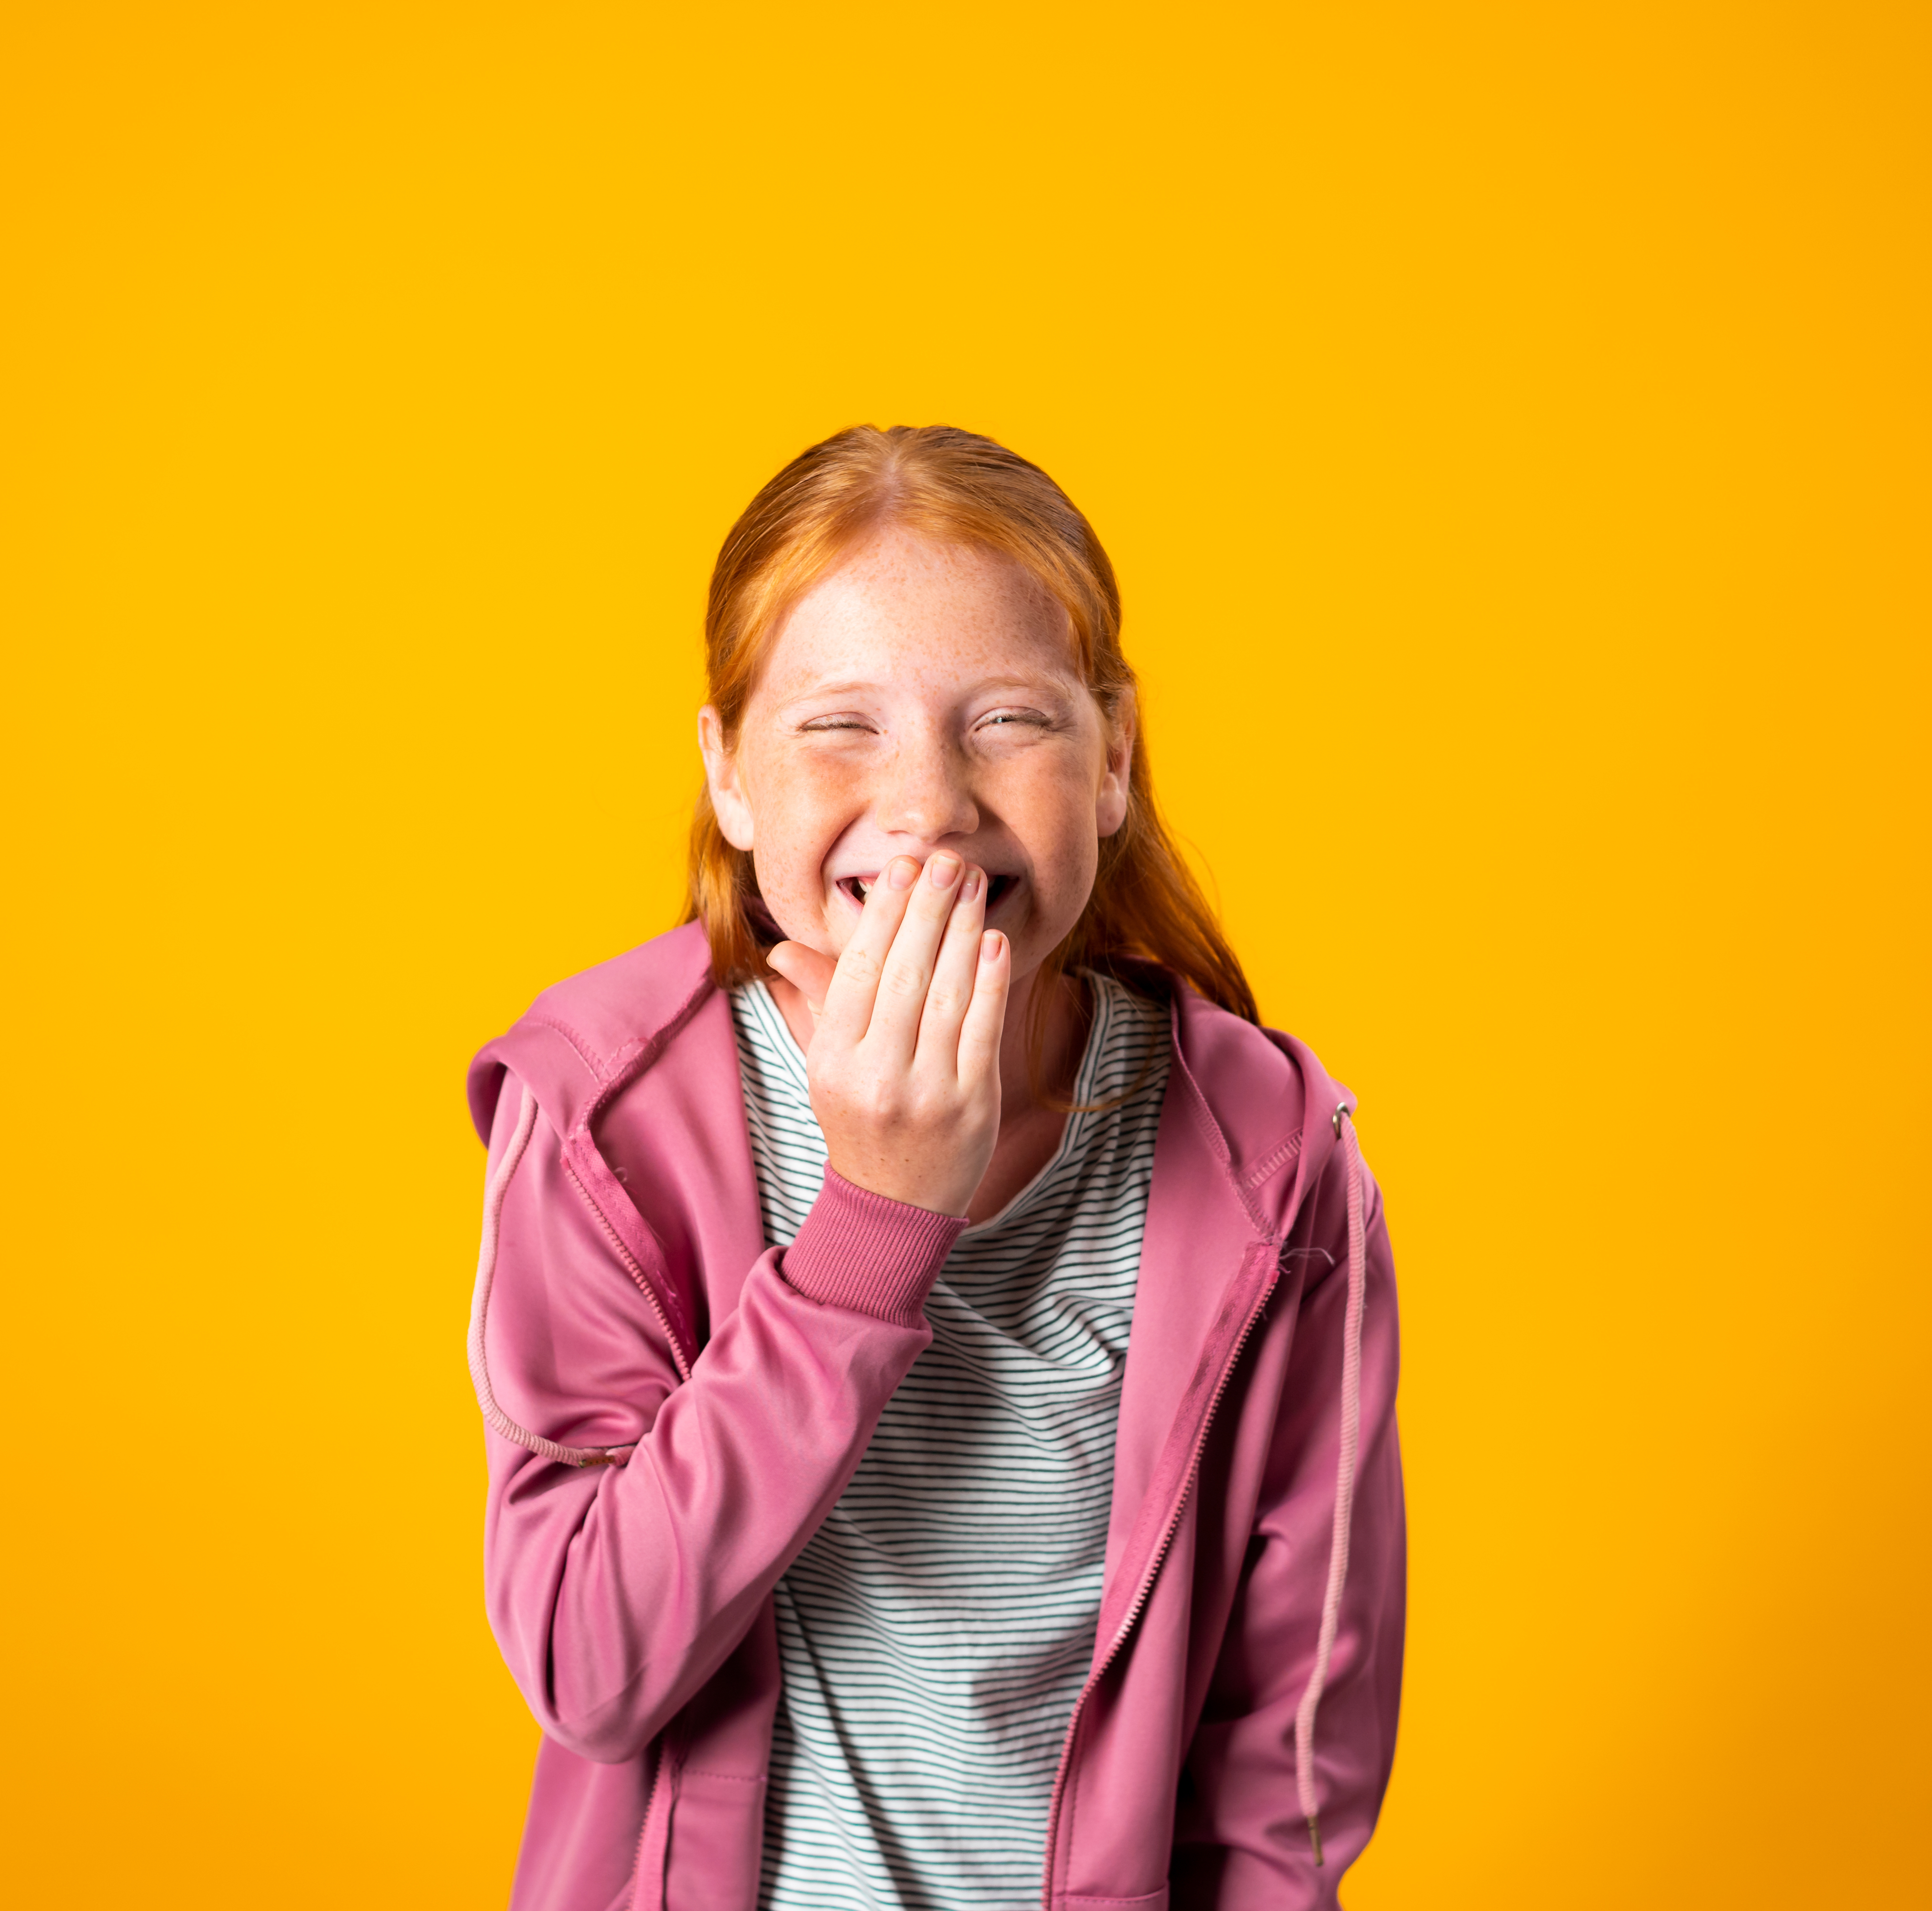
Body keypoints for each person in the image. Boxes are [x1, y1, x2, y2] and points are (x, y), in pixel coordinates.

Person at [463, 425, 1405, 1910]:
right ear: (729, 778)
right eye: (842, 725)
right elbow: (592, 1660)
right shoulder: (606, 1112)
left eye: (1010, 721)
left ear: (1113, 763)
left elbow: (1291, 1758)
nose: (929, 807)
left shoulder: (1272, 1158)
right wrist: (877, 1224)